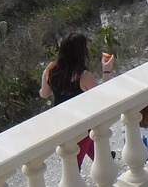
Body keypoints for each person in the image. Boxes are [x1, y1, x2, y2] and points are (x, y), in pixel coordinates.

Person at [40, 33, 114, 168]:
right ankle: (76, 186)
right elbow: (102, 96)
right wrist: (107, 72)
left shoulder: (50, 70)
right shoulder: (83, 76)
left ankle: (106, 157)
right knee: (75, 163)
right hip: (81, 122)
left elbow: (44, 94)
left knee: (85, 144)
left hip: (61, 121)